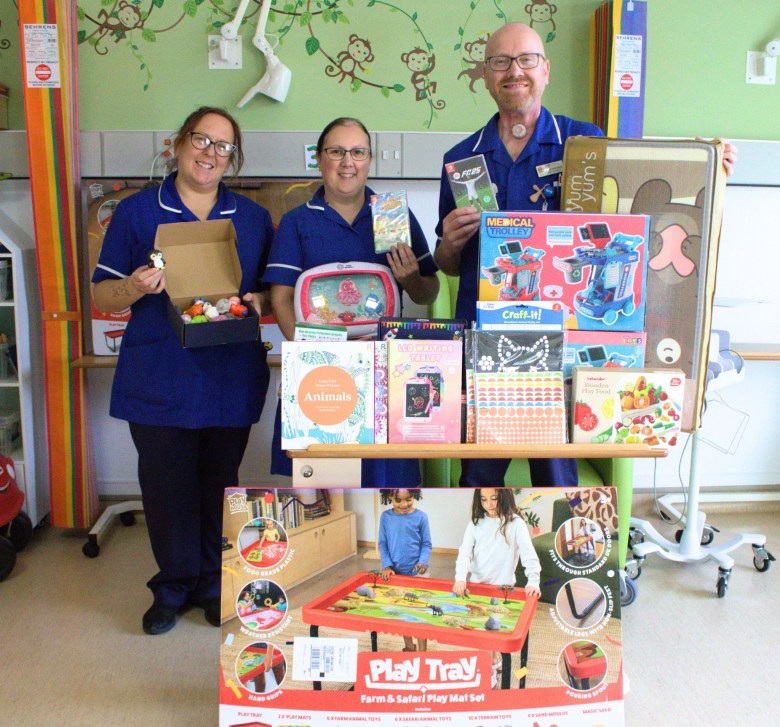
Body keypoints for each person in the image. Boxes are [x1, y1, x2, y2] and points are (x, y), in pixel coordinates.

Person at [435, 23, 738, 488]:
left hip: (568, 335)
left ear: (545, 69)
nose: (514, 71)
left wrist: (704, 162)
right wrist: (450, 244)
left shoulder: (586, 144)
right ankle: (482, 558)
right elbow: (448, 264)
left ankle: (564, 555)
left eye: (526, 60)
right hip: (486, 339)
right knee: (480, 469)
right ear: (486, 74)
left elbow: (641, 200)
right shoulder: (462, 160)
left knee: (557, 472)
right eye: (500, 61)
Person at [91, 106, 274, 635]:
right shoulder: (138, 212)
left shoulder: (253, 218)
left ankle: (215, 586)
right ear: (177, 143)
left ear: (233, 160)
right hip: (160, 374)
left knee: (220, 484)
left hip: (228, 373)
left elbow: (268, 290)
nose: (210, 153)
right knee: (167, 488)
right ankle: (172, 586)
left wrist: (259, 297)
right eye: (202, 140)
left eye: (224, 147)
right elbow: (103, 291)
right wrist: (135, 287)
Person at [264, 117, 440, 487]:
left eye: (358, 152)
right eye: (336, 151)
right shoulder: (298, 222)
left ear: (369, 159)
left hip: (383, 367)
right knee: (326, 482)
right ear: (319, 158)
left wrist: (410, 279)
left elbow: (429, 291)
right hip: (322, 371)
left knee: (389, 484)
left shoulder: (392, 215)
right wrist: (312, 352)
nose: (348, 162)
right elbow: (280, 296)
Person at [453, 488, 541, 686]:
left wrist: (533, 580)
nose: (489, 505)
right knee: (481, 635)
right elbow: (465, 552)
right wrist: (460, 578)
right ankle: (490, 669)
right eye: (483, 500)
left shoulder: (516, 524)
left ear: (504, 496)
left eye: (493, 499)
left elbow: (528, 553)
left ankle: (494, 663)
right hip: (478, 588)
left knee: (493, 632)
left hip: (503, 590)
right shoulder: (476, 523)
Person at [378, 488, 432, 652]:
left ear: (414, 496)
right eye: (398, 500)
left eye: (408, 499)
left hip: (418, 574)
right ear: (389, 497)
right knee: (403, 613)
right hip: (396, 574)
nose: (404, 504)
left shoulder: (421, 517)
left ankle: (422, 653)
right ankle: (409, 648)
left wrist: (423, 562)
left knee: (420, 615)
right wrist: (386, 565)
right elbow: (383, 544)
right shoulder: (386, 518)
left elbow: (426, 544)